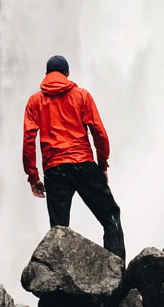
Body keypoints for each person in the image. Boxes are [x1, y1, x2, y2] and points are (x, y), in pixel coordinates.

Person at [23, 55, 126, 261]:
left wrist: (33, 177)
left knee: (59, 230)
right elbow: (99, 132)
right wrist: (102, 164)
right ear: (67, 73)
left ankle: (59, 284)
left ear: (46, 75)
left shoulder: (35, 102)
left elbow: (28, 140)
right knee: (110, 215)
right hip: (83, 163)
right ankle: (117, 274)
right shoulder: (81, 96)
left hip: (55, 169)